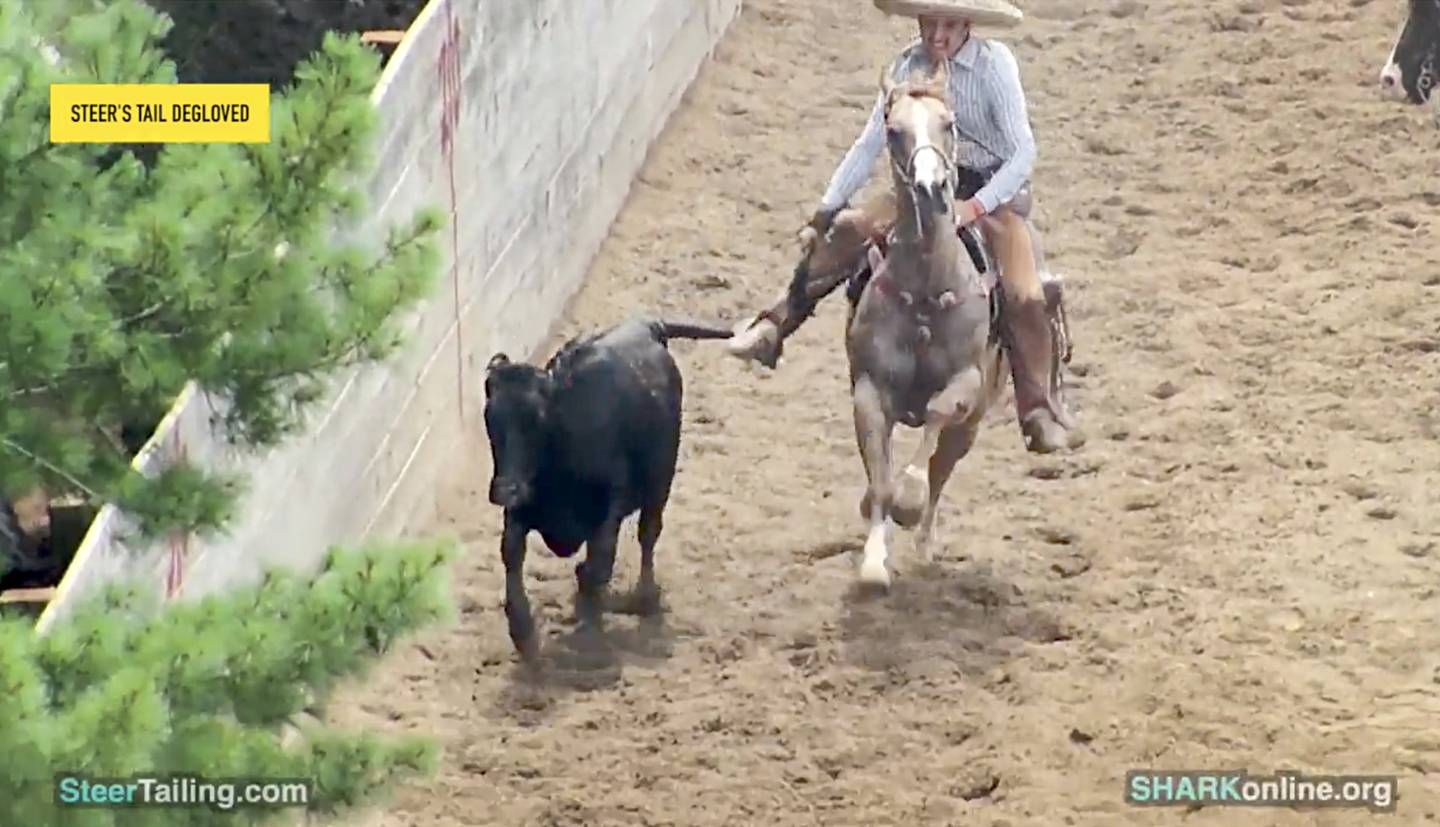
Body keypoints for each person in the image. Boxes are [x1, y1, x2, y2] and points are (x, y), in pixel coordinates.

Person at [726, 0, 1082, 454]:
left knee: (1025, 294)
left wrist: (974, 208)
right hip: (920, 188)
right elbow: (870, 143)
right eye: (929, 24)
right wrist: (826, 207)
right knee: (847, 231)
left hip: (992, 193)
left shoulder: (994, 67)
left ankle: (1038, 408)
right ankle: (775, 324)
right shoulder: (906, 66)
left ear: (967, 25)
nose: (937, 36)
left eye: (948, 25)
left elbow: (1022, 153)